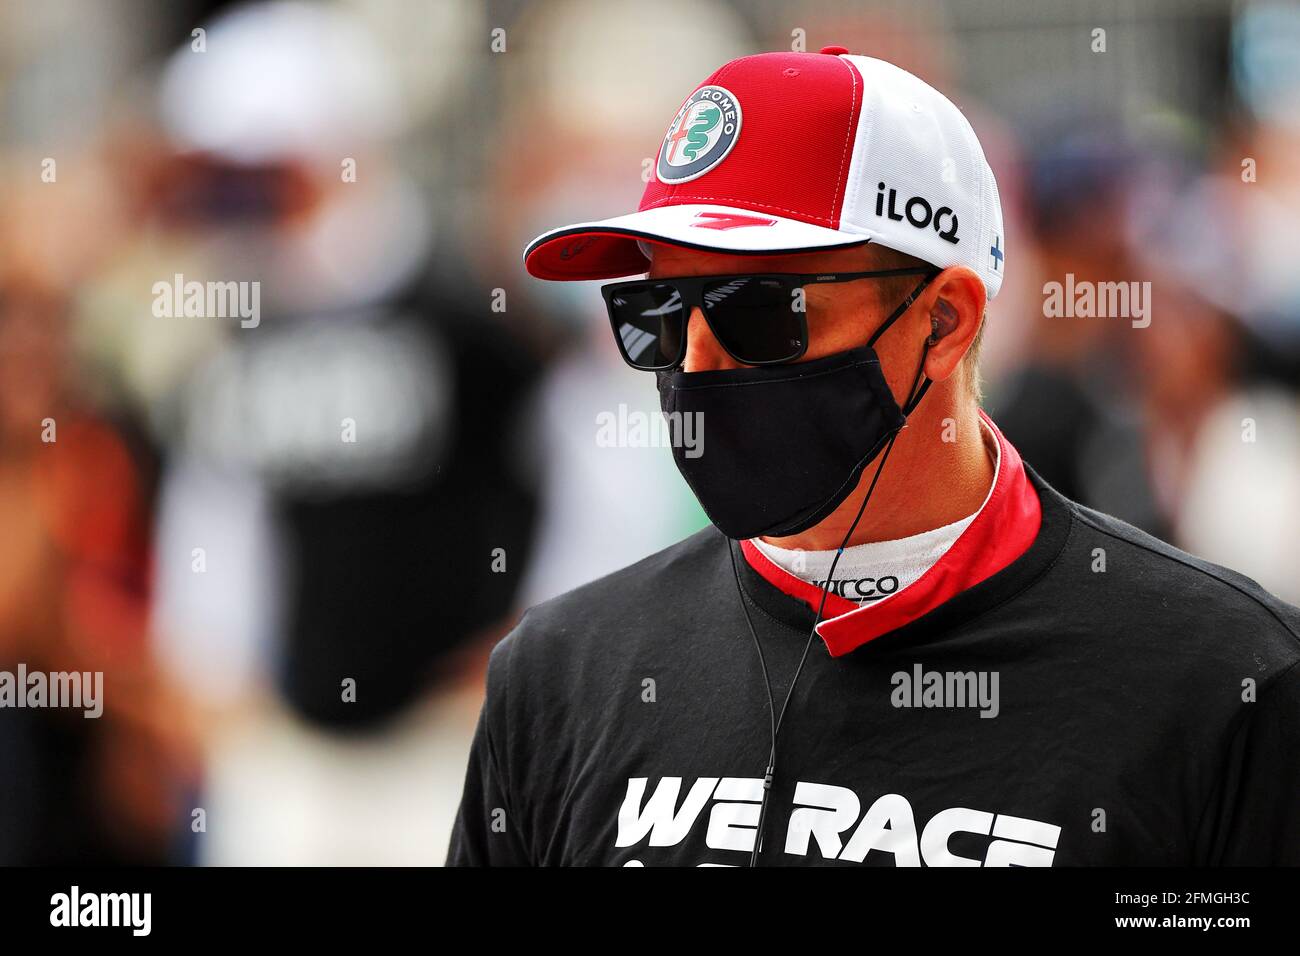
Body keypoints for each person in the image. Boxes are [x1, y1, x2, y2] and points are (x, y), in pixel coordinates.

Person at [446, 48, 1300, 866]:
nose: (696, 361)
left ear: (944, 322)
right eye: (657, 311)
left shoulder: (1227, 681)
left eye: (757, 309)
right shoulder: (559, 676)